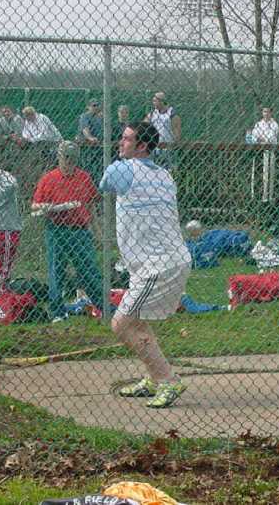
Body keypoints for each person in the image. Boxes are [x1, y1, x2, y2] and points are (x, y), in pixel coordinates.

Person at [99, 122, 192, 408]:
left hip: (158, 265)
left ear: (142, 146)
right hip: (163, 261)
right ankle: (155, 377)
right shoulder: (165, 174)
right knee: (135, 321)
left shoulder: (121, 168)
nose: (120, 143)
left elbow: (103, 185)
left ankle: (168, 380)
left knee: (121, 324)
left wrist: (120, 165)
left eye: (127, 139)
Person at [31, 141, 103, 321]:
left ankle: (104, 307)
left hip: (80, 231)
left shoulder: (84, 177)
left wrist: (97, 230)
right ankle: (57, 312)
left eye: (72, 158)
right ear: (59, 157)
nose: (69, 162)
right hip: (57, 230)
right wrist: (49, 207)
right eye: (66, 158)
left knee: (89, 270)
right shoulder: (48, 179)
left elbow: (91, 204)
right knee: (57, 271)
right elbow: (34, 206)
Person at [144, 91, 181, 170]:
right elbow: (143, 126)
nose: (153, 103)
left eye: (155, 101)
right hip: (155, 148)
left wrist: (174, 145)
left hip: (168, 149)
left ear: (161, 101)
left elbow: (177, 132)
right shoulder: (152, 113)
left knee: (169, 172)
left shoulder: (172, 114)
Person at [250, 107, 279, 202]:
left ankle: (267, 198)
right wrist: (260, 139)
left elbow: (270, 139)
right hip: (258, 152)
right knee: (255, 174)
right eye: (264, 111)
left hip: (269, 152)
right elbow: (254, 137)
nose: (265, 113)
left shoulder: (274, 125)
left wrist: (261, 138)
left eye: (267, 111)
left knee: (268, 175)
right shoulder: (258, 124)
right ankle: (254, 196)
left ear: (271, 113)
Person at [77, 99, 104, 182]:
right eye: (93, 105)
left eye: (97, 105)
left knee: (99, 168)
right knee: (88, 168)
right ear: (88, 107)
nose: (96, 107)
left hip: (97, 147)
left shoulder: (100, 117)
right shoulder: (84, 116)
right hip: (87, 147)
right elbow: (85, 130)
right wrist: (90, 138)